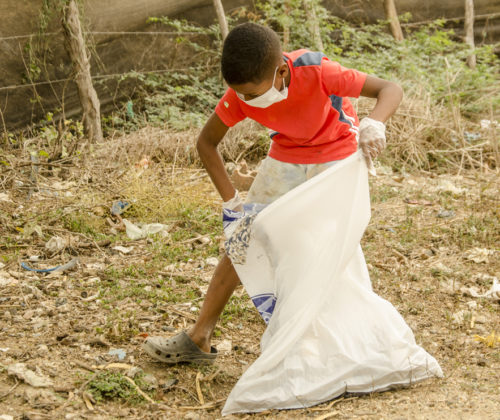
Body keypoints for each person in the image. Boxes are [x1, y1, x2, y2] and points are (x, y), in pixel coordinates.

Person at [143, 22, 403, 363]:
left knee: (327, 250)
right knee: (244, 240)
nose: (246, 100)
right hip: (287, 154)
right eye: (239, 93)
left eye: (252, 93)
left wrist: (375, 122)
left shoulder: (317, 69)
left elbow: (390, 88)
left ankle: (344, 344)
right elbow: (206, 143)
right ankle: (199, 337)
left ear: (282, 71)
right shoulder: (240, 94)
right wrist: (232, 200)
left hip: (337, 154)